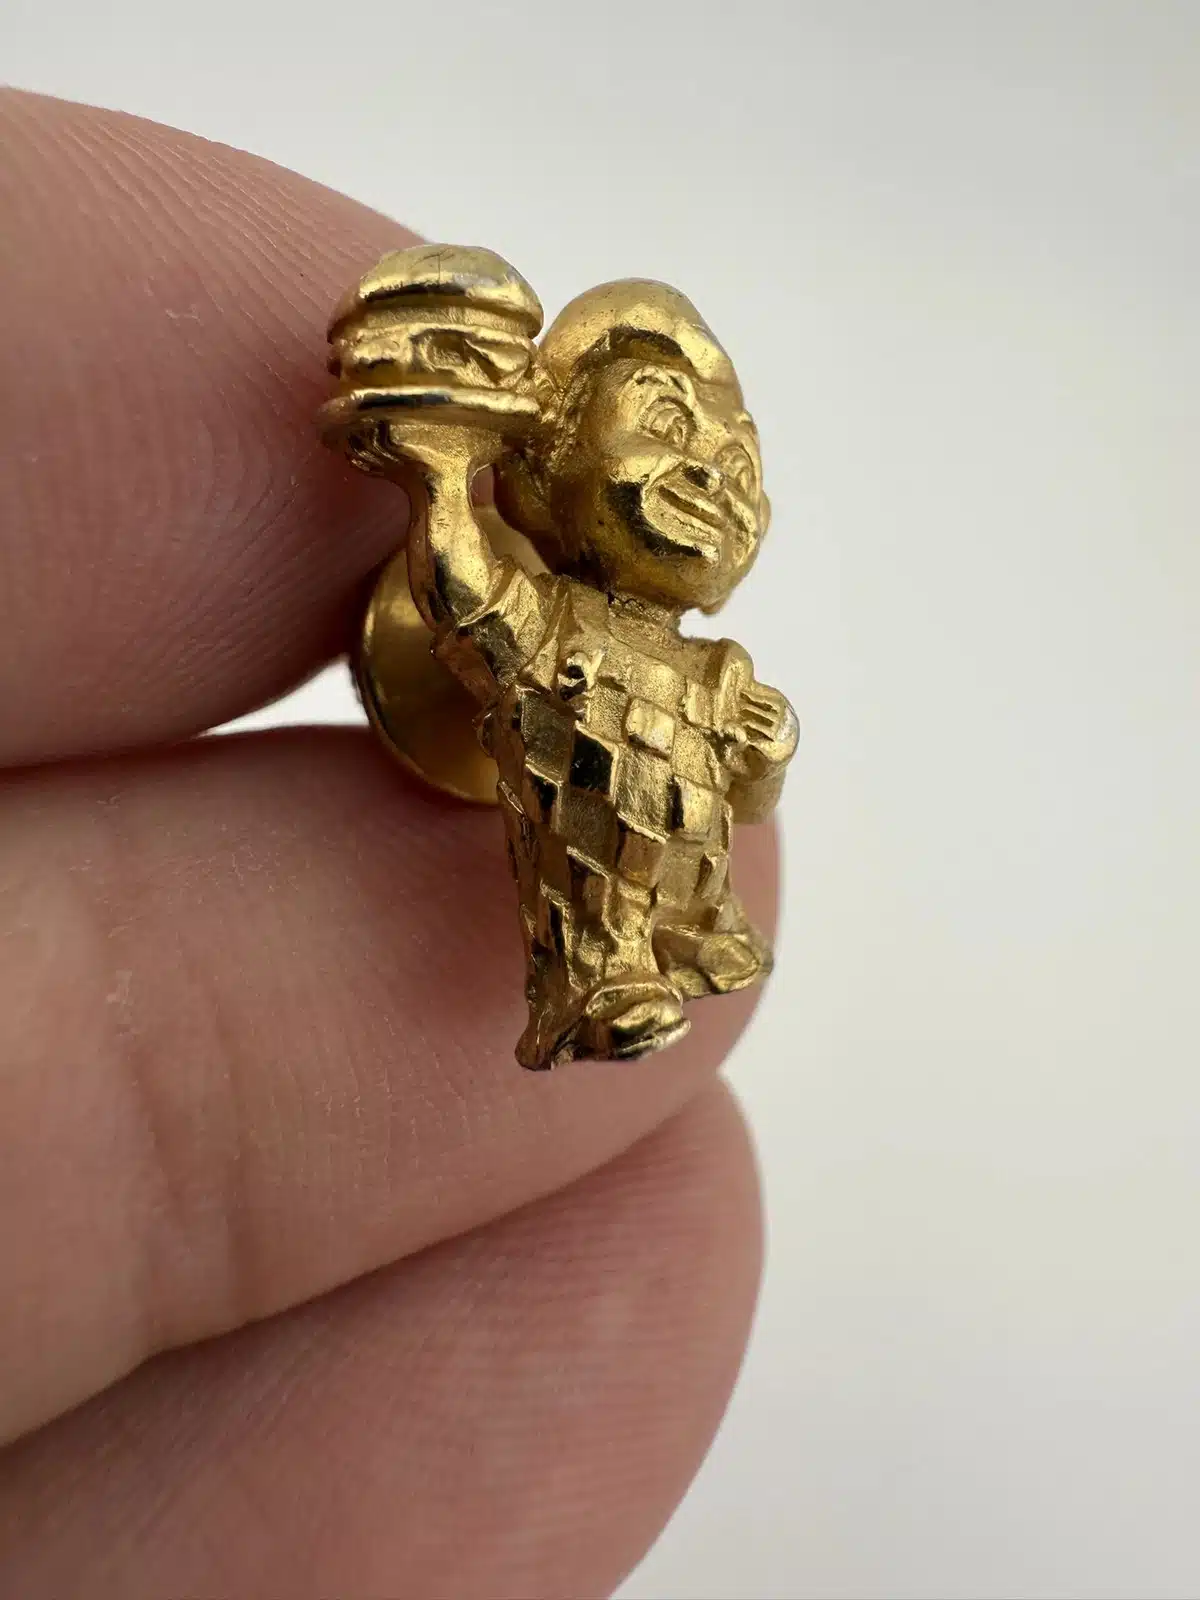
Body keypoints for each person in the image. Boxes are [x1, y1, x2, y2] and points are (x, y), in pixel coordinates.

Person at [0, 89, 778, 1597]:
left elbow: (747, 777)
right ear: (563, 467)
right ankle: (602, 976)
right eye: (671, 428)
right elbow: (473, 592)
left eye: (736, 443)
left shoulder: (698, 662)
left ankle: (684, 939)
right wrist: (440, 471)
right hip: (560, 819)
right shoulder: (555, 631)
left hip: (684, 850)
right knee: (595, 889)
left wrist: (755, 746)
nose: (719, 466)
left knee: (694, 880)